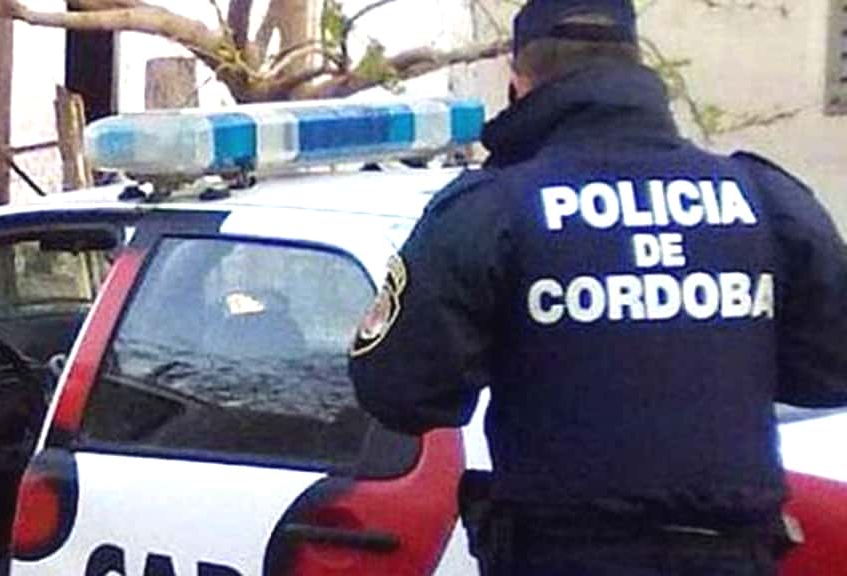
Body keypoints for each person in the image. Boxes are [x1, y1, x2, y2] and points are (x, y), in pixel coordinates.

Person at [348, 0, 847, 574]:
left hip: (565, 552)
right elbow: (830, 373)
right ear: (639, 71)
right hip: (733, 554)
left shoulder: (494, 208)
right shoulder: (764, 197)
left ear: (519, 83)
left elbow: (400, 390)